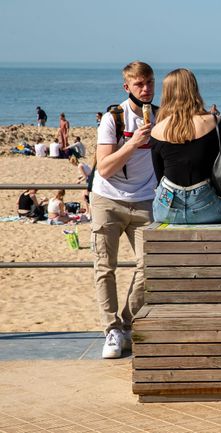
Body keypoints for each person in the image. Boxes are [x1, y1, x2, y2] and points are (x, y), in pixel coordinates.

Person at [90, 61, 158, 359]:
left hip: (146, 200)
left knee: (149, 266)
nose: (145, 89)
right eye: (139, 84)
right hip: (108, 200)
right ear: (127, 86)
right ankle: (111, 330)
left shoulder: (160, 115)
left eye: (150, 83)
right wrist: (133, 144)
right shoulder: (112, 118)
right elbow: (104, 168)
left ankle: (129, 324)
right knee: (105, 267)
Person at [150, 69, 221, 224]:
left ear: (167, 93)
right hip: (203, 203)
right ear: (194, 90)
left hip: (167, 205)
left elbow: (159, 177)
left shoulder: (157, 130)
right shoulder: (216, 123)